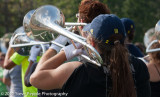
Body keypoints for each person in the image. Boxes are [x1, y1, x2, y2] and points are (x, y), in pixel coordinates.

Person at [30, 14, 151, 97]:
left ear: (92, 42)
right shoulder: (140, 66)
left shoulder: (77, 70)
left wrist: (61, 51)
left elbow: (35, 79)